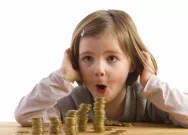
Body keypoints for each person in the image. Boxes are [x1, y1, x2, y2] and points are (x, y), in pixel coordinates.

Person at [14, 9, 188, 127]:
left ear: (133, 63)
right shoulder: (73, 103)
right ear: (76, 64)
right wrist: (62, 77)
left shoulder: (150, 100)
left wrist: (152, 83)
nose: (99, 70)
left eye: (111, 58)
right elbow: (25, 115)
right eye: (88, 58)